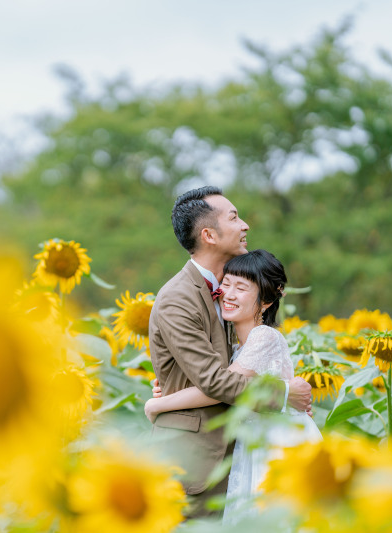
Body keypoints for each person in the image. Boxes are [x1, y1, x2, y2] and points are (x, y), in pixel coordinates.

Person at [148, 185, 312, 518]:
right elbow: (215, 380)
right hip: (194, 460)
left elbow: (225, 368)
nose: (245, 225)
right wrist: (281, 393)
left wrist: (162, 400)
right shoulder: (178, 298)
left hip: (234, 456)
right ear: (209, 234)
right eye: (234, 217)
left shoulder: (226, 291)